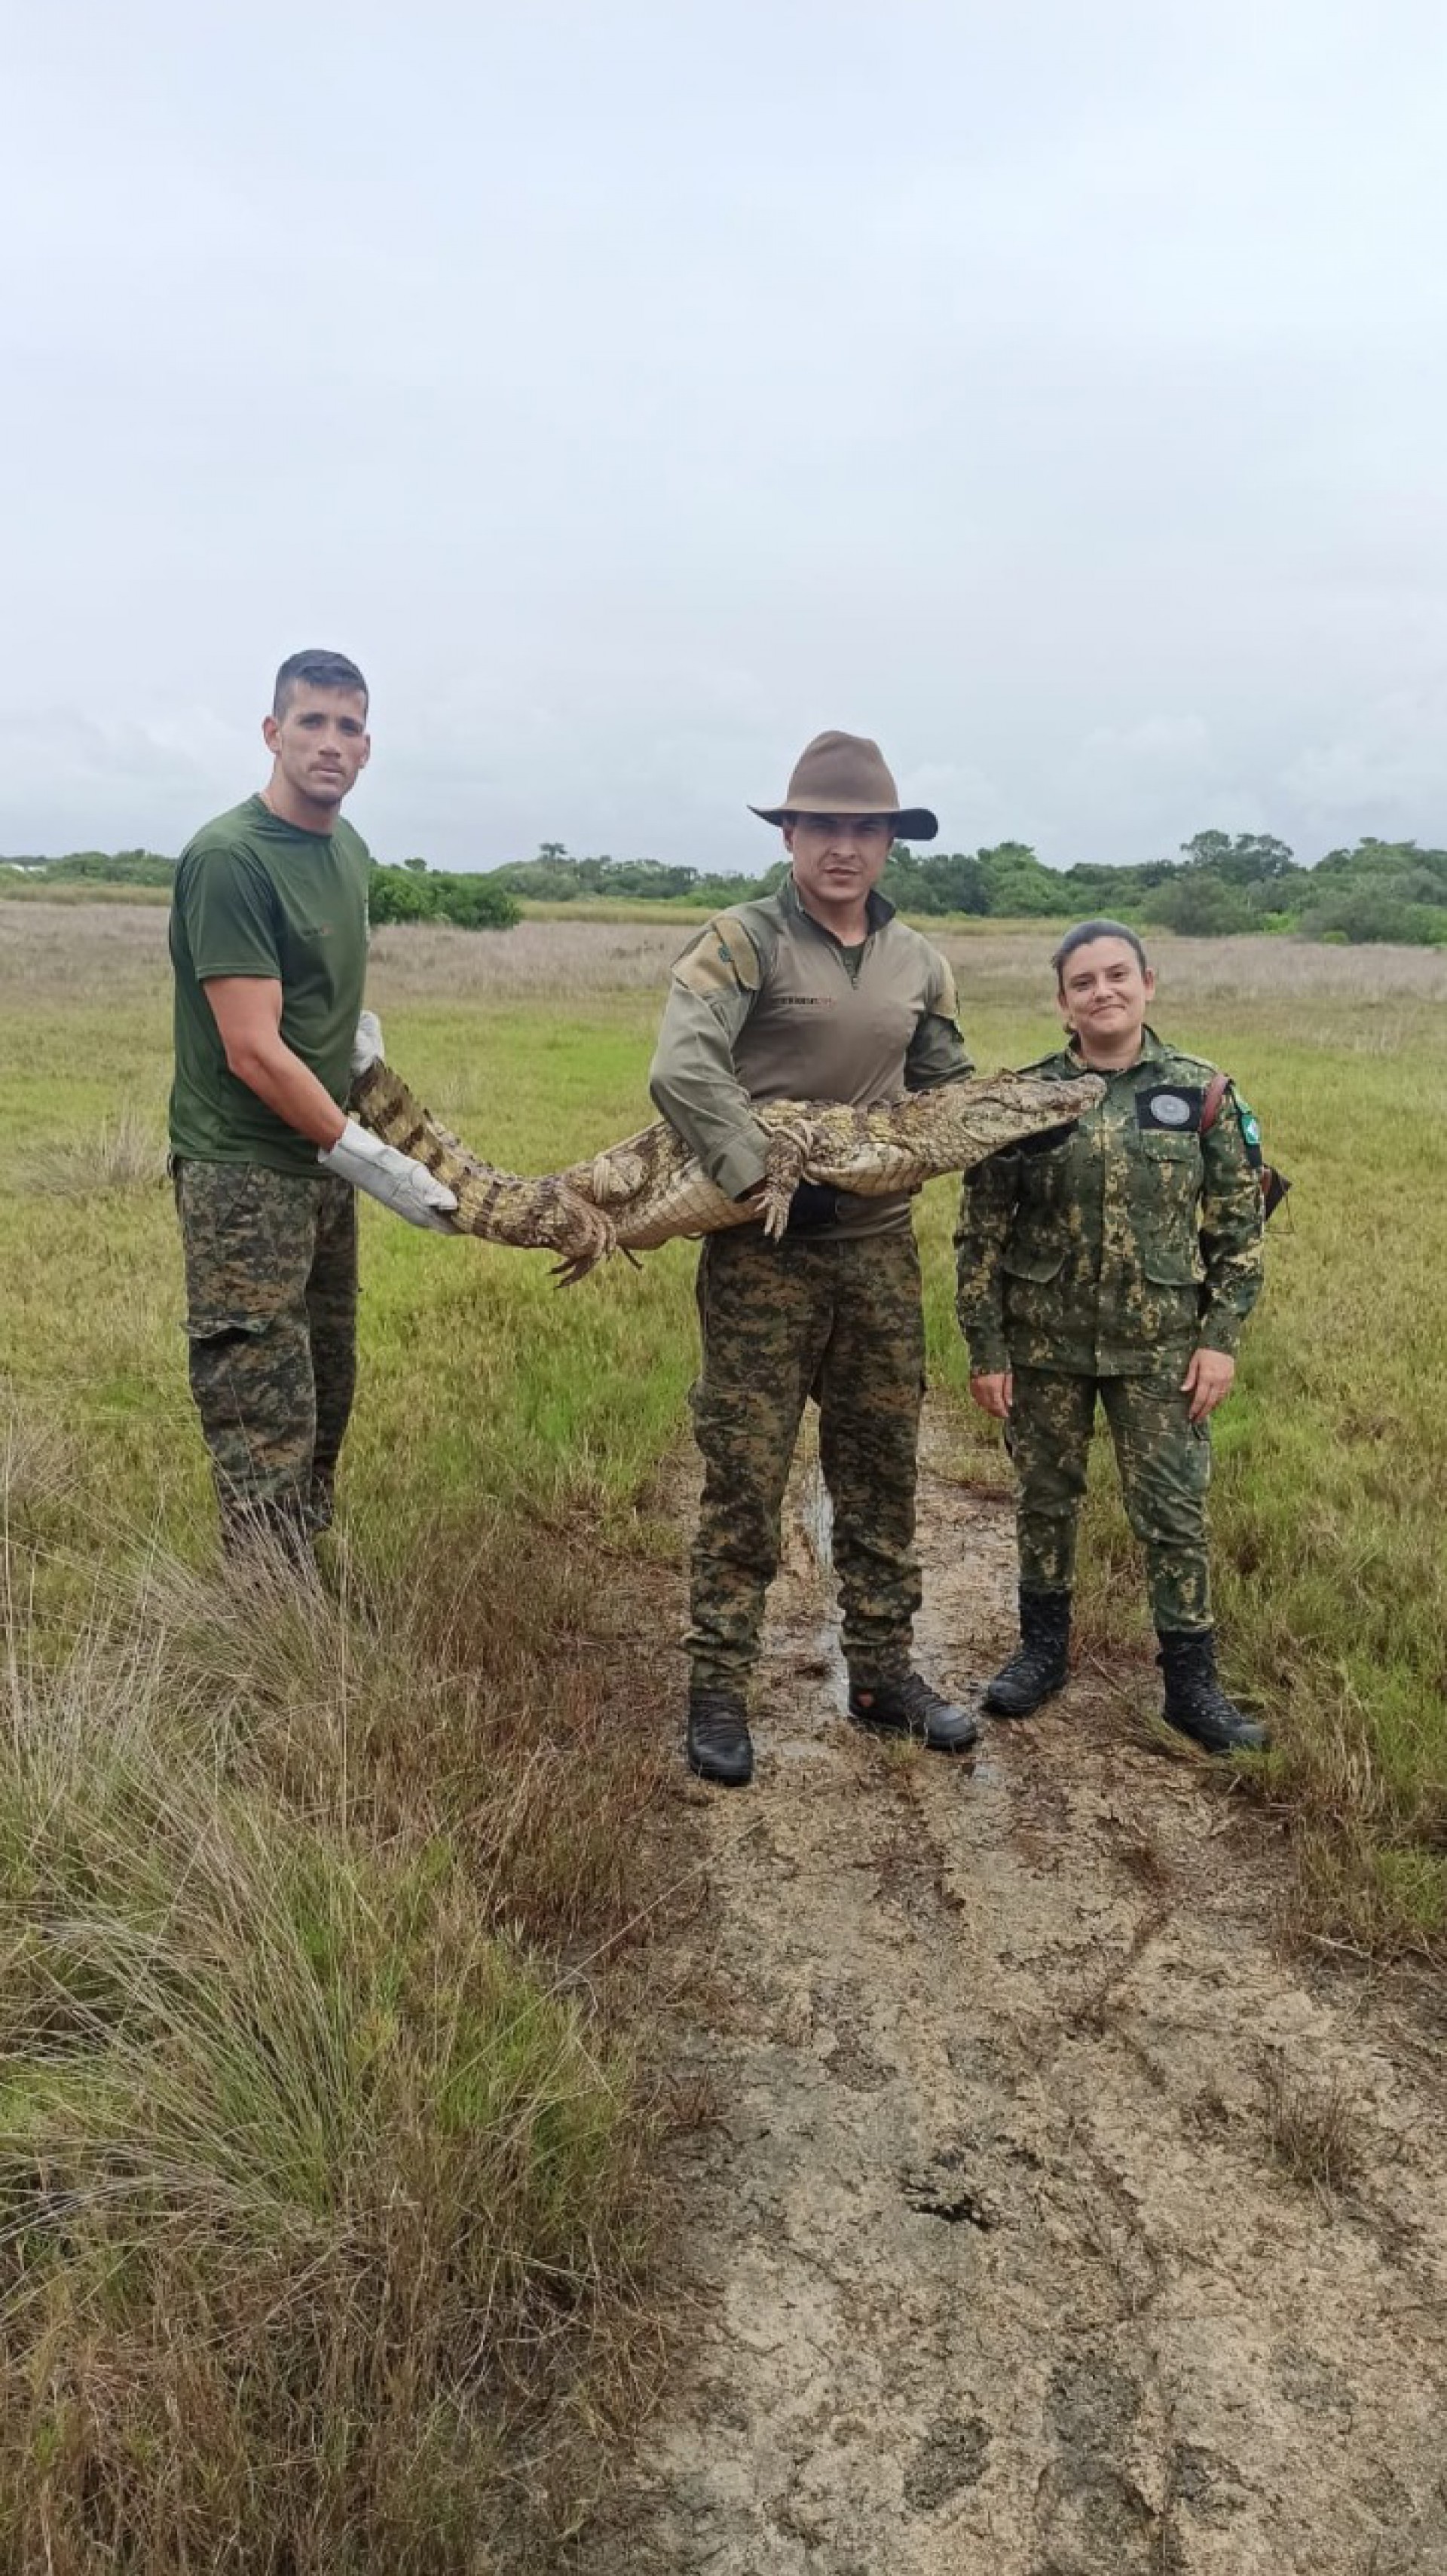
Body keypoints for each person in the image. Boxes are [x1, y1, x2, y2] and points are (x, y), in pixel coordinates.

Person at [650, 729, 980, 1786]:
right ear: (790, 833)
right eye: (823, 825)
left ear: (890, 841)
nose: (844, 846)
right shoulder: (741, 939)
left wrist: (989, 1132)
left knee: (882, 1468)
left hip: (879, 1255)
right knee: (745, 1475)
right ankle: (717, 1689)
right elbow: (682, 1062)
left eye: (865, 828)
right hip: (764, 1251)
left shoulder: (920, 960)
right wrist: (753, 1172)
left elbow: (944, 1088)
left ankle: (884, 1675)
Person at [168, 647, 457, 1557]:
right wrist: (373, 1159)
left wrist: (356, 1052)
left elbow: (316, 997)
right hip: (246, 1173)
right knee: (262, 1401)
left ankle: (302, 1588)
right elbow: (253, 1048)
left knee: (327, 1385)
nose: (331, 743)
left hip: (321, 1165)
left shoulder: (349, 849)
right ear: (273, 732)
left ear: (367, 747)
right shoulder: (231, 859)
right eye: (312, 722)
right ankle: (265, 1631)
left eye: (349, 726)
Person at [954, 919, 1268, 1752]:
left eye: (1117, 974)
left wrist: (1221, 1337)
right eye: (1084, 981)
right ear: (1063, 1002)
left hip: (1162, 1350)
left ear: (1148, 982)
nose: (1104, 991)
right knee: (1045, 1500)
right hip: (1045, 1343)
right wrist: (987, 1348)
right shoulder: (1023, 1100)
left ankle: (1191, 1684)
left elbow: (1239, 1234)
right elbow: (980, 1233)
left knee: (1172, 1512)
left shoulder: (1203, 1093)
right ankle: (1042, 1652)